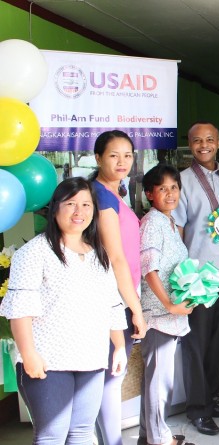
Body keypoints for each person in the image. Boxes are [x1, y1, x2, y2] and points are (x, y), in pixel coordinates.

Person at [0, 178, 128, 444]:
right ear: (54, 208)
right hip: (48, 362)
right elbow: (20, 311)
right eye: (70, 204)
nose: (78, 212)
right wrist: (29, 354)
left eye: (85, 204)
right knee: (51, 436)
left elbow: (111, 303)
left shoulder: (98, 254)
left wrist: (117, 347)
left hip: (91, 358)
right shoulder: (34, 252)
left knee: (81, 433)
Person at [171, 122, 219, 435]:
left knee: (217, 343)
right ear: (190, 144)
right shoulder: (181, 181)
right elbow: (178, 230)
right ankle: (197, 409)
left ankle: (211, 399)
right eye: (197, 141)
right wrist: (181, 277)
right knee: (196, 345)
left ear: (218, 142)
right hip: (197, 276)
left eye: (209, 139)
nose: (204, 145)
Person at [91, 130, 147, 445]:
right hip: (113, 301)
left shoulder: (114, 193)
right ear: (98, 158)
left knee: (112, 376)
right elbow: (116, 258)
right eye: (114, 155)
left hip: (123, 297)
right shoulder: (100, 196)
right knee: (112, 378)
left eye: (128, 155)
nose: (122, 161)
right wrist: (136, 311)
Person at [138, 164, 194, 445]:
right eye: (163, 188)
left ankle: (149, 436)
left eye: (174, 187)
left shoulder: (169, 222)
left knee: (156, 382)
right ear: (149, 193)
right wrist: (170, 305)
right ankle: (159, 440)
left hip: (170, 313)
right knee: (159, 384)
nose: (170, 193)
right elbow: (150, 269)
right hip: (159, 315)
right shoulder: (152, 223)